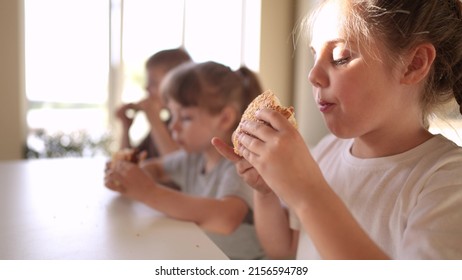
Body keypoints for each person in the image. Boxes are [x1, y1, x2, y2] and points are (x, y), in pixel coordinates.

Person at [212, 0, 462, 259]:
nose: (312, 74)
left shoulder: (446, 181)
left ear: (414, 64)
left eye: (340, 58)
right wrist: (266, 191)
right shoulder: (326, 151)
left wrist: (307, 192)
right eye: (313, 55)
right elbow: (284, 251)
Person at [105, 61, 266, 260]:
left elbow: (225, 219)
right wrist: (132, 176)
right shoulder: (194, 157)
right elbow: (156, 167)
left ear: (225, 118)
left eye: (186, 117)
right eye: (172, 115)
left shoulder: (241, 165)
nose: (174, 126)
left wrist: (148, 192)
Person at [116, 48, 192, 158]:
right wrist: (125, 127)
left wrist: (152, 115)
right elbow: (128, 162)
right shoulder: (164, 124)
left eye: (153, 83)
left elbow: (176, 164)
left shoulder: (189, 125)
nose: (146, 88)